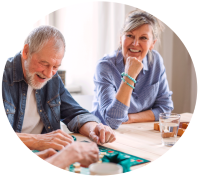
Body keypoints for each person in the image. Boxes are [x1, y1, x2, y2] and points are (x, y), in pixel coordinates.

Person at [2, 25, 116, 152]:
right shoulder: (4, 76)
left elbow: (75, 114)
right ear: (26, 51)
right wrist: (37, 141)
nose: (49, 74)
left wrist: (94, 128)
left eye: (55, 66)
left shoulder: (53, 79)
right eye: (44, 64)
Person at [91, 9, 174, 129]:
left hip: (136, 130)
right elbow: (112, 121)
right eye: (130, 35)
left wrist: (131, 118)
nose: (135, 43)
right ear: (121, 38)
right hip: (103, 133)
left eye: (143, 38)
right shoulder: (105, 66)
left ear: (152, 44)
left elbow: (165, 109)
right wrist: (129, 76)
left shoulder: (156, 61)